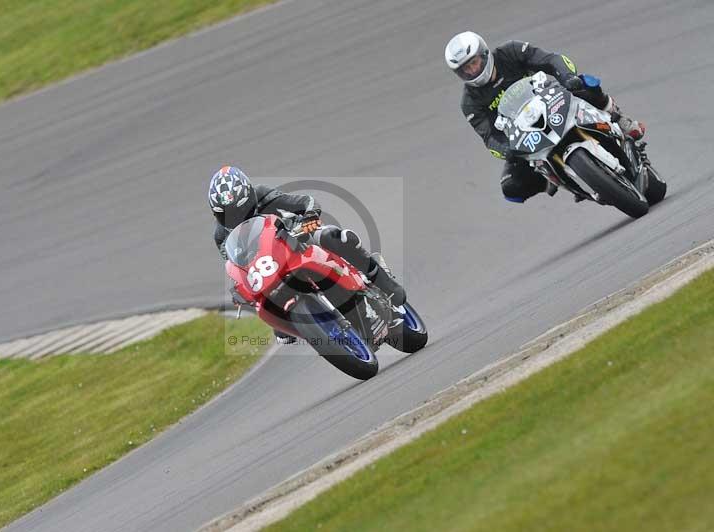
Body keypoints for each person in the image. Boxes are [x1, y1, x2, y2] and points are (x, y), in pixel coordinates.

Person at [208, 166, 406, 343]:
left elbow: (305, 202)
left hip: (297, 238)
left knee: (335, 237)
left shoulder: (263, 195)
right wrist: (240, 288)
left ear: (250, 195)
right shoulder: (221, 235)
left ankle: (383, 281)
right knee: (258, 300)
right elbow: (235, 266)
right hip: (268, 267)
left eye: (240, 209)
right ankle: (295, 325)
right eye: (225, 214)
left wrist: (309, 216)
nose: (235, 217)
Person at [444, 31, 646, 203]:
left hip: (551, 101)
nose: (472, 70)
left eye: (474, 63)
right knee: (510, 187)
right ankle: (554, 178)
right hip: (523, 136)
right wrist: (506, 150)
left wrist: (568, 77)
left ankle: (619, 119)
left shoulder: (510, 51)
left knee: (584, 83)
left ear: (484, 54)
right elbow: (489, 137)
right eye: (465, 69)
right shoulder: (469, 102)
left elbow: (551, 60)